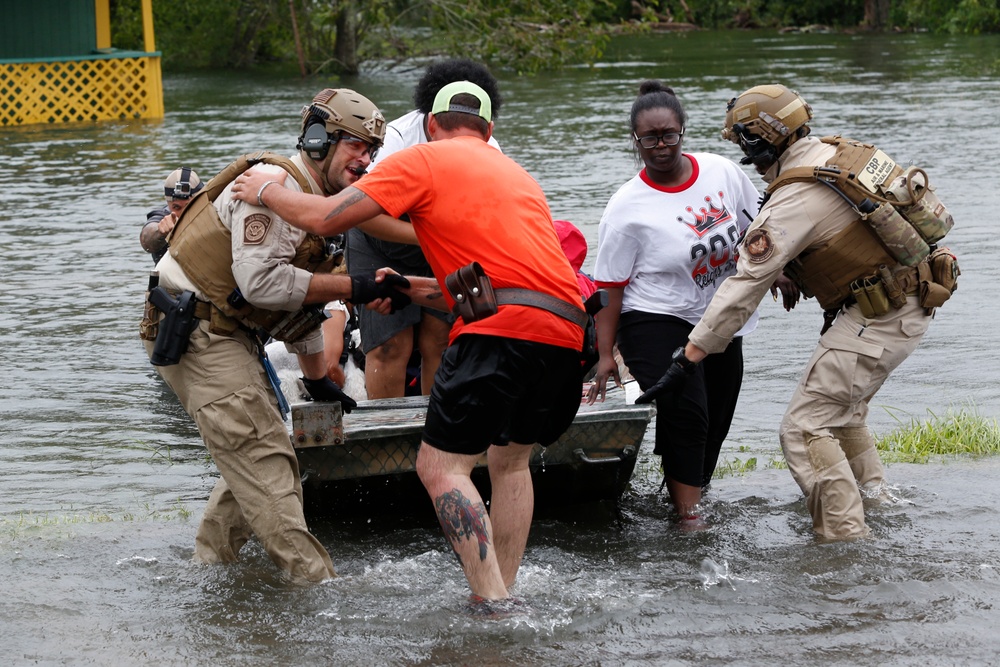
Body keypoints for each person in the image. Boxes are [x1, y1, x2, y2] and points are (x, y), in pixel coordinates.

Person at [231, 81, 587, 604]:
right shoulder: (519, 177)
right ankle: (504, 590)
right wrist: (408, 288)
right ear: (489, 131)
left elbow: (323, 216)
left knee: (439, 468)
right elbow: (505, 282)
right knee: (510, 463)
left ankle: (490, 603)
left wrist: (260, 189)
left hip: (498, 331)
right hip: (565, 329)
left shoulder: (424, 157)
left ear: (432, 125)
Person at [636, 84, 957, 539]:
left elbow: (744, 286)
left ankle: (845, 540)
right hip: (912, 299)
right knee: (843, 415)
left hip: (881, 317)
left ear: (759, 140)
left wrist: (690, 356)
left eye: (744, 141)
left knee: (803, 429)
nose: (744, 155)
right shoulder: (841, 152)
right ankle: (878, 505)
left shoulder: (794, 196)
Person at [139, 88, 415, 583]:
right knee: (267, 462)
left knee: (261, 458)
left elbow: (298, 302)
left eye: (372, 150)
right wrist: (356, 284)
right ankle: (318, 590)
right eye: (356, 146)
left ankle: (207, 576)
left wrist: (318, 380)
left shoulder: (317, 202)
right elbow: (261, 284)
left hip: (227, 332)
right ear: (318, 141)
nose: (367, 160)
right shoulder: (270, 187)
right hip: (200, 333)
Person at [586, 80, 773, 529]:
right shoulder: (626, 207)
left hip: (721, 315)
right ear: (636, 141)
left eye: (668, 134)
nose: (660, 145)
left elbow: (760, 226)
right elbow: (609, 286)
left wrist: (779, 269)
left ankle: (685, 490)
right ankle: (689, 516)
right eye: (649, 138)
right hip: (653, 316)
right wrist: (605, 354)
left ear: (682, 131)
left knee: (717, 418)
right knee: (689, 412)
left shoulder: (721, 172)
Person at [348, 58, 503, 399]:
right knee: (391, 346)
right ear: (431, 121)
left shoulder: (490, 149)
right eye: (450, 123)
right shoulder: (396, 140)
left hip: (442, 242)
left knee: (441, 341)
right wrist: (425, 236)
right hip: (380, 238)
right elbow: (358, 213)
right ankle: (387, 438)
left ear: (486, 127)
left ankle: (436, 432)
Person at [140, 167, 203, 264]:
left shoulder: (213, 211)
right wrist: (160, 232)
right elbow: (146, 238)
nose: (183, 214)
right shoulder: (163, 216)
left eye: (188, 206)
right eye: (176, 207)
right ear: (168, 204)